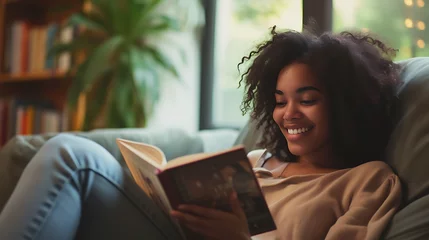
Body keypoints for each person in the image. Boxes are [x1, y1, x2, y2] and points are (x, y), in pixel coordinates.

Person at [0, 26, 402, 240]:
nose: (288, 114)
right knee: (68, 155)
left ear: (346, 103)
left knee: (73, 157)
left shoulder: (366, 181)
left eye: (307, 99)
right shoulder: (258, 162)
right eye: (279, 100)